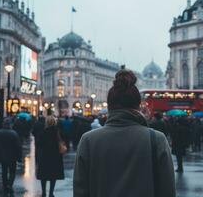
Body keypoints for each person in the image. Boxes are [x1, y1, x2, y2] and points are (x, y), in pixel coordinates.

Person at [74, 69, 176, 197]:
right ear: (138, 106)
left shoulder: (88, 140)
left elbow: (80, 190)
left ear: (109, 107)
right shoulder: (156, 139)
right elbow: (167, 190)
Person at [37, 116, 65, 197]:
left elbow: (39, 144)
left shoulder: (43, 132)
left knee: (44, 175)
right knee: (53, 175)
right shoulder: (57, 132)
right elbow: (63, 140)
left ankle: (43, 192)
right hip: (55, 156)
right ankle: (51, 193)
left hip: (45, 156)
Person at [0, 118, 22, 195]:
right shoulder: (14, 133)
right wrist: (19, 157)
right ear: (10, 124)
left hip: (2, 156)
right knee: (12, 172)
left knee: (4, 172)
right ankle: (10, 185)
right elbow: (18, 147)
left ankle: (5, 186)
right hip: (12, 157)